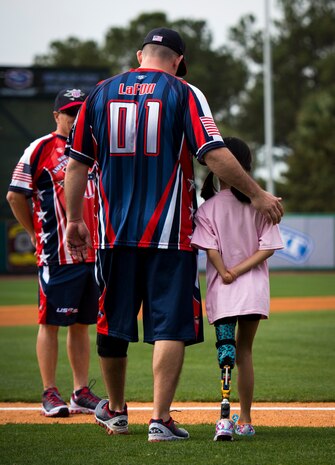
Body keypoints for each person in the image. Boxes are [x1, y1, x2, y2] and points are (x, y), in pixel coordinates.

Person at [63, 28, 283, 441]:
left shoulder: (99, 93)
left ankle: (117, 411)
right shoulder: (184, 92)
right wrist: (256, 194)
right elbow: (213, 153)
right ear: (178, 60)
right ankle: (160, 419)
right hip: (170, 233)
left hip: (113, 231)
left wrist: (76, 219)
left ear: (139, 54)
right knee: (168, 324)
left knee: (113, 322)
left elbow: (76, 164)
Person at [6, 88, 101, 418]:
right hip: (58, 253)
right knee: (50, 322)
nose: (75, 118)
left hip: (93, 254)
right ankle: (49, 391)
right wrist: (34, 234)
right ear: (56, 116)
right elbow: (15, 196)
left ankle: (80, 392)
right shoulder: (41, 148)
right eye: (69, 112)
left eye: (80, 112)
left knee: (82, 324)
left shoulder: (95, 147)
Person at [191, 136, 284, 440]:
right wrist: (239, 271)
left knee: (226, 352)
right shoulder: (263, 204)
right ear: (247, 166)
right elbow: (267, 248)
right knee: (244, 351)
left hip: (224, 290)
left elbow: (210, 249)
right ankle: (244, 419)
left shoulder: (208, 209)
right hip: (253, 289)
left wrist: (225, 272)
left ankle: (225, 416)